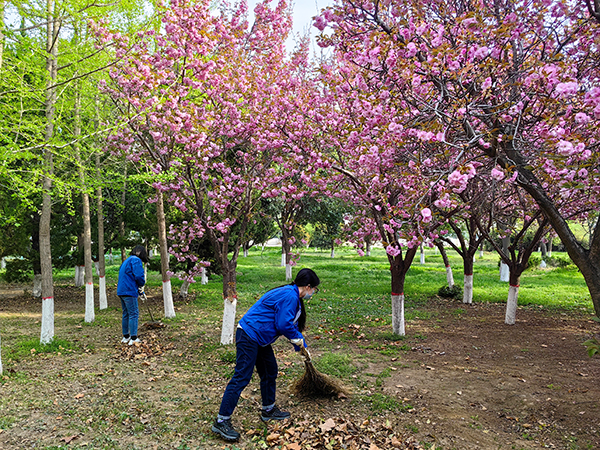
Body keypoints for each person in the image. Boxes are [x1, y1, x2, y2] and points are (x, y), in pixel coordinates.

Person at [212, 268, 320, 442]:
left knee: (270, 371)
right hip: (249, 335)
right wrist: (299, 341)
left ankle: (268, 410)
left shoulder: (292, 295)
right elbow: (284, 324)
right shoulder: (290, 296)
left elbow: (285, 322)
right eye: (314, 289)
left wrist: (299, 345)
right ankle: (221, 421)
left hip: (260, 338)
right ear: (307, 286)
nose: (313, 293)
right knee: (241, 377)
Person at [117, 245, 148, 345]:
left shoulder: (127, 260)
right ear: (140, 252)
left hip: (122, 290)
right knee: (134, 313)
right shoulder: (136, 260)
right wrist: (141, 284)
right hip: (129, 290)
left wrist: (139, 290)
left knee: (126, 313)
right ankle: (133, 338)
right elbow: (138, 275)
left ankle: (126, 337)